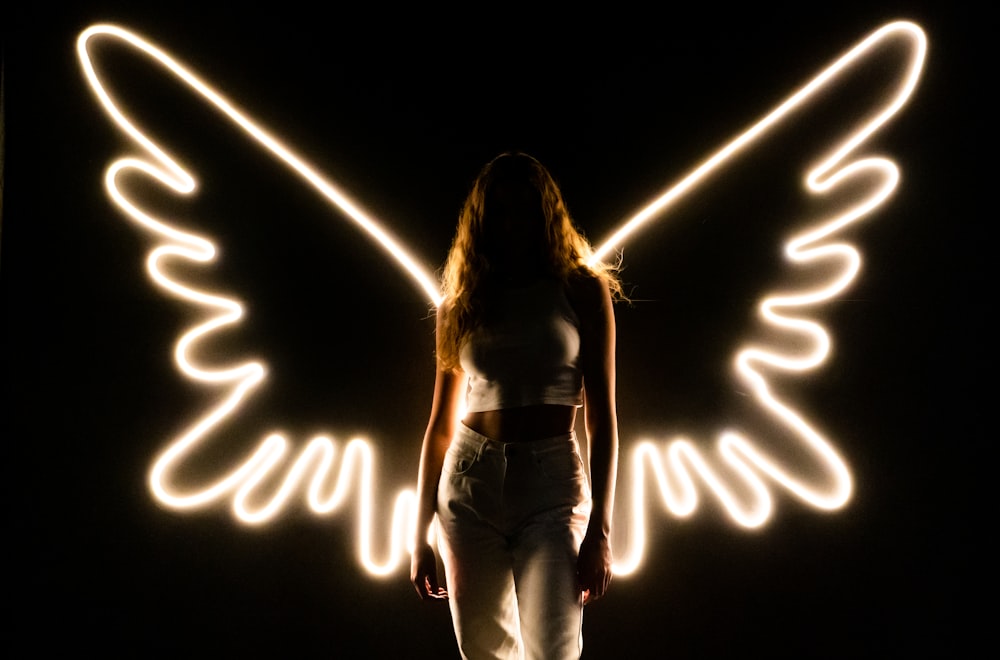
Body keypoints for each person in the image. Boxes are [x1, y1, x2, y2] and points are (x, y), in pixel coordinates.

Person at [410, 152, 621, 660]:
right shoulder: (461, 301)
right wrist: (418, 535)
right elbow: (439, 425)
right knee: (484, 652)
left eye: (523, 209)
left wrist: (601, 531)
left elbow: (604, 417)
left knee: (555, 649)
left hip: (552, 485)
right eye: (498, 211)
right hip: (469, 482)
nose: (511, 223)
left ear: (545, 212)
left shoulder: (581, 289)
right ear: (481, 220)